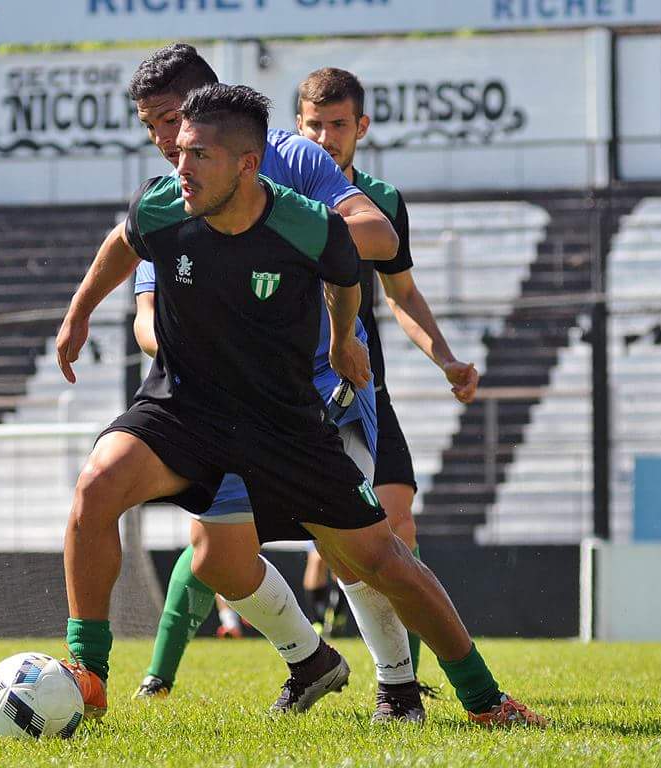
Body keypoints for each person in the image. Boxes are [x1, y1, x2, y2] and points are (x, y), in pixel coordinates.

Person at [57, 82, 547, 729]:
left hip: (282, 421)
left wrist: (345, 341)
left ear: (246, 164)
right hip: (183, 407)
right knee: (96, 489)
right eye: (178, 151)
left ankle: (485, 699)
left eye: (198, 155)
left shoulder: (304, 224)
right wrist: (77, 317)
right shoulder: (163, 207)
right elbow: (121, 244)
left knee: (380, 558)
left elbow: (348, 276)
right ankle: (88, 676)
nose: (180, 168)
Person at [123, 44, 424, 722]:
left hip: (312, 389)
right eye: (153, 130)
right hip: (226, 399)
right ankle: (307, 659)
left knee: (360, 542)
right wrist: (180, 338)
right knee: (213, 553)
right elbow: (145, 307)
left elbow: (375, 241)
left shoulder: (292, 163)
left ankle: (406, 687)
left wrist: (301, 238)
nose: (165, 143)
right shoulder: (174, 195)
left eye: (169, 123)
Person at [295, 67, 483, 685]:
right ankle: (162, 675)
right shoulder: (272, 194)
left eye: (338, 125)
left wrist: (446, 357)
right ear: (297, 126)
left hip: (358, 389)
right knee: (215, 543)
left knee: (394, 523)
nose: (325, 137)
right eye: (314, 124)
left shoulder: (382, 204)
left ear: (361, 127)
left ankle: (405, 678)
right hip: (288, 389)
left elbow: (401, 294)